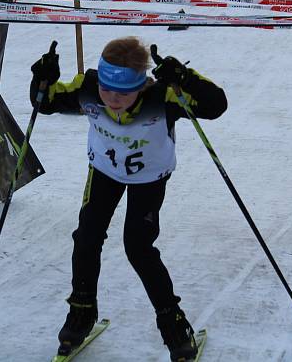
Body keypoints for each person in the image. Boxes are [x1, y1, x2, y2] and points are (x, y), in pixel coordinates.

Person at [30, 37, 228, 361]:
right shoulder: (89, 87)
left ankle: (174, 325)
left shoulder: (162, 97)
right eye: (108, 90)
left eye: (123, 92)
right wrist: (43, 77)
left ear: (142, 83)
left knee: (138, 247)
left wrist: (184, 77)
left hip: (149, 178)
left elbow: (215, 106)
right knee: (86, 237)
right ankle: (81, 311)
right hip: (105, 171)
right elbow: (45, 101)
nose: (113, 99)